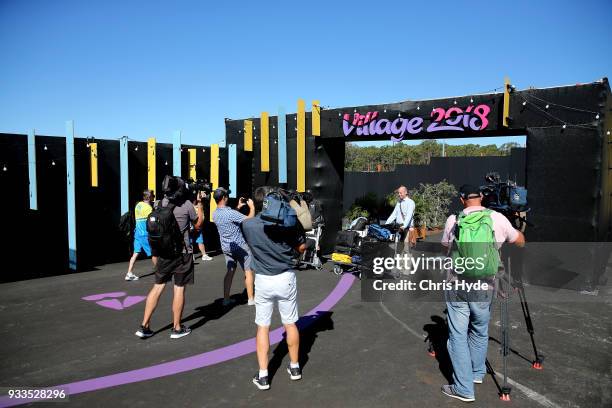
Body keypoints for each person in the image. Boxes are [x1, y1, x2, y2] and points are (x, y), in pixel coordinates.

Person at [440, 184, 525, 402]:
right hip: (485, 286)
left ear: (462, 200)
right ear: (482, 198)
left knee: (457, 336)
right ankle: (477, 373)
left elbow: (446, 248)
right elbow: (519, 241)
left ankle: (463, 388)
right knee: (479, 329)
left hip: (458, 285)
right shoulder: (497, 218)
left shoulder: (454, 220)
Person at [241, 186, 308, 390]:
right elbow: (302, 247)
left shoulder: (248, 225)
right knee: (290, 324)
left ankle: (263, 376)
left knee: (263, 326)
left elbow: (250, 228)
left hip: (262, 280)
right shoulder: (288, 223)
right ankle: (295, 367)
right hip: (285, 277)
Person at [135, 191, 204, 339]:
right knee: (179, 288)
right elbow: (198, 225)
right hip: (182, 253)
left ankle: (144, 326)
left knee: (158, 286)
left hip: (163, 252)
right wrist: (200, 204)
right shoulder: (186, 205)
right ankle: (177, 328)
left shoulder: (160, 203)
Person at [212, 188, 255, 306]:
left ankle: (226, 299)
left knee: (230, 271)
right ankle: (251, 299)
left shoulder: (215, 214)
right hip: (240, 247)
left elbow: (230, 217)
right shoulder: (230, 213)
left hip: (226, 247)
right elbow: (249, 219)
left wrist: (238, 207)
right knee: (248, 271)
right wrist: (252, 207)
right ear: (224, 198)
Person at [125, 190, 157, 281]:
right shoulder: (148, 208)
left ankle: (129, 273)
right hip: (144, 234)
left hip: (137, 233)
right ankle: (160, 271)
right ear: (149, 197)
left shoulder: (138, 205)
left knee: (135, 253)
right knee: (153, 253)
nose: (154, 197)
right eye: (153, 196)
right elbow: (152, 221)